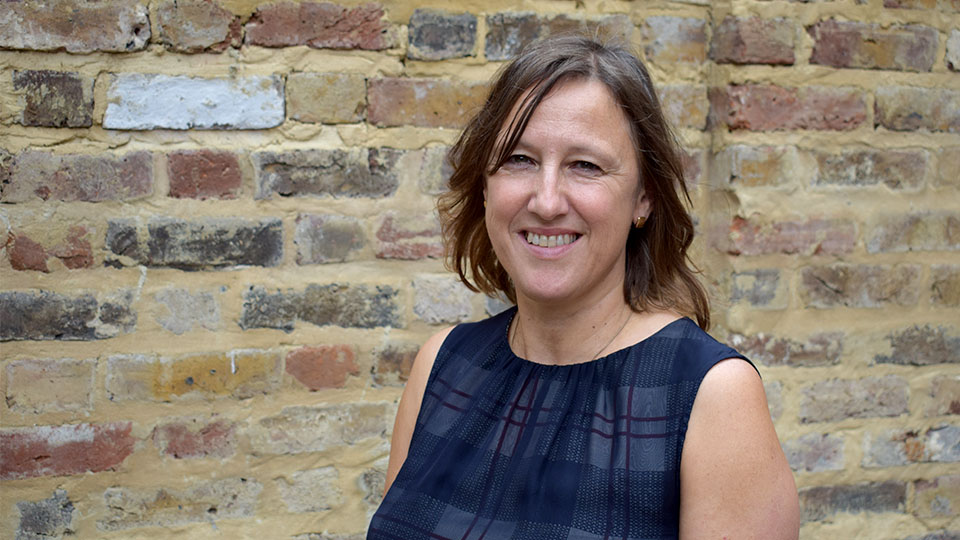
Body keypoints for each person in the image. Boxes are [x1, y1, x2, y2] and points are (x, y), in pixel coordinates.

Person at [368, 35, 800, 539]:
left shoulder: (711, 396)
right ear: (484, 185)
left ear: (644, 197)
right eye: (519, 159)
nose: (547, 201)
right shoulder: (442, 365)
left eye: (585, 166)